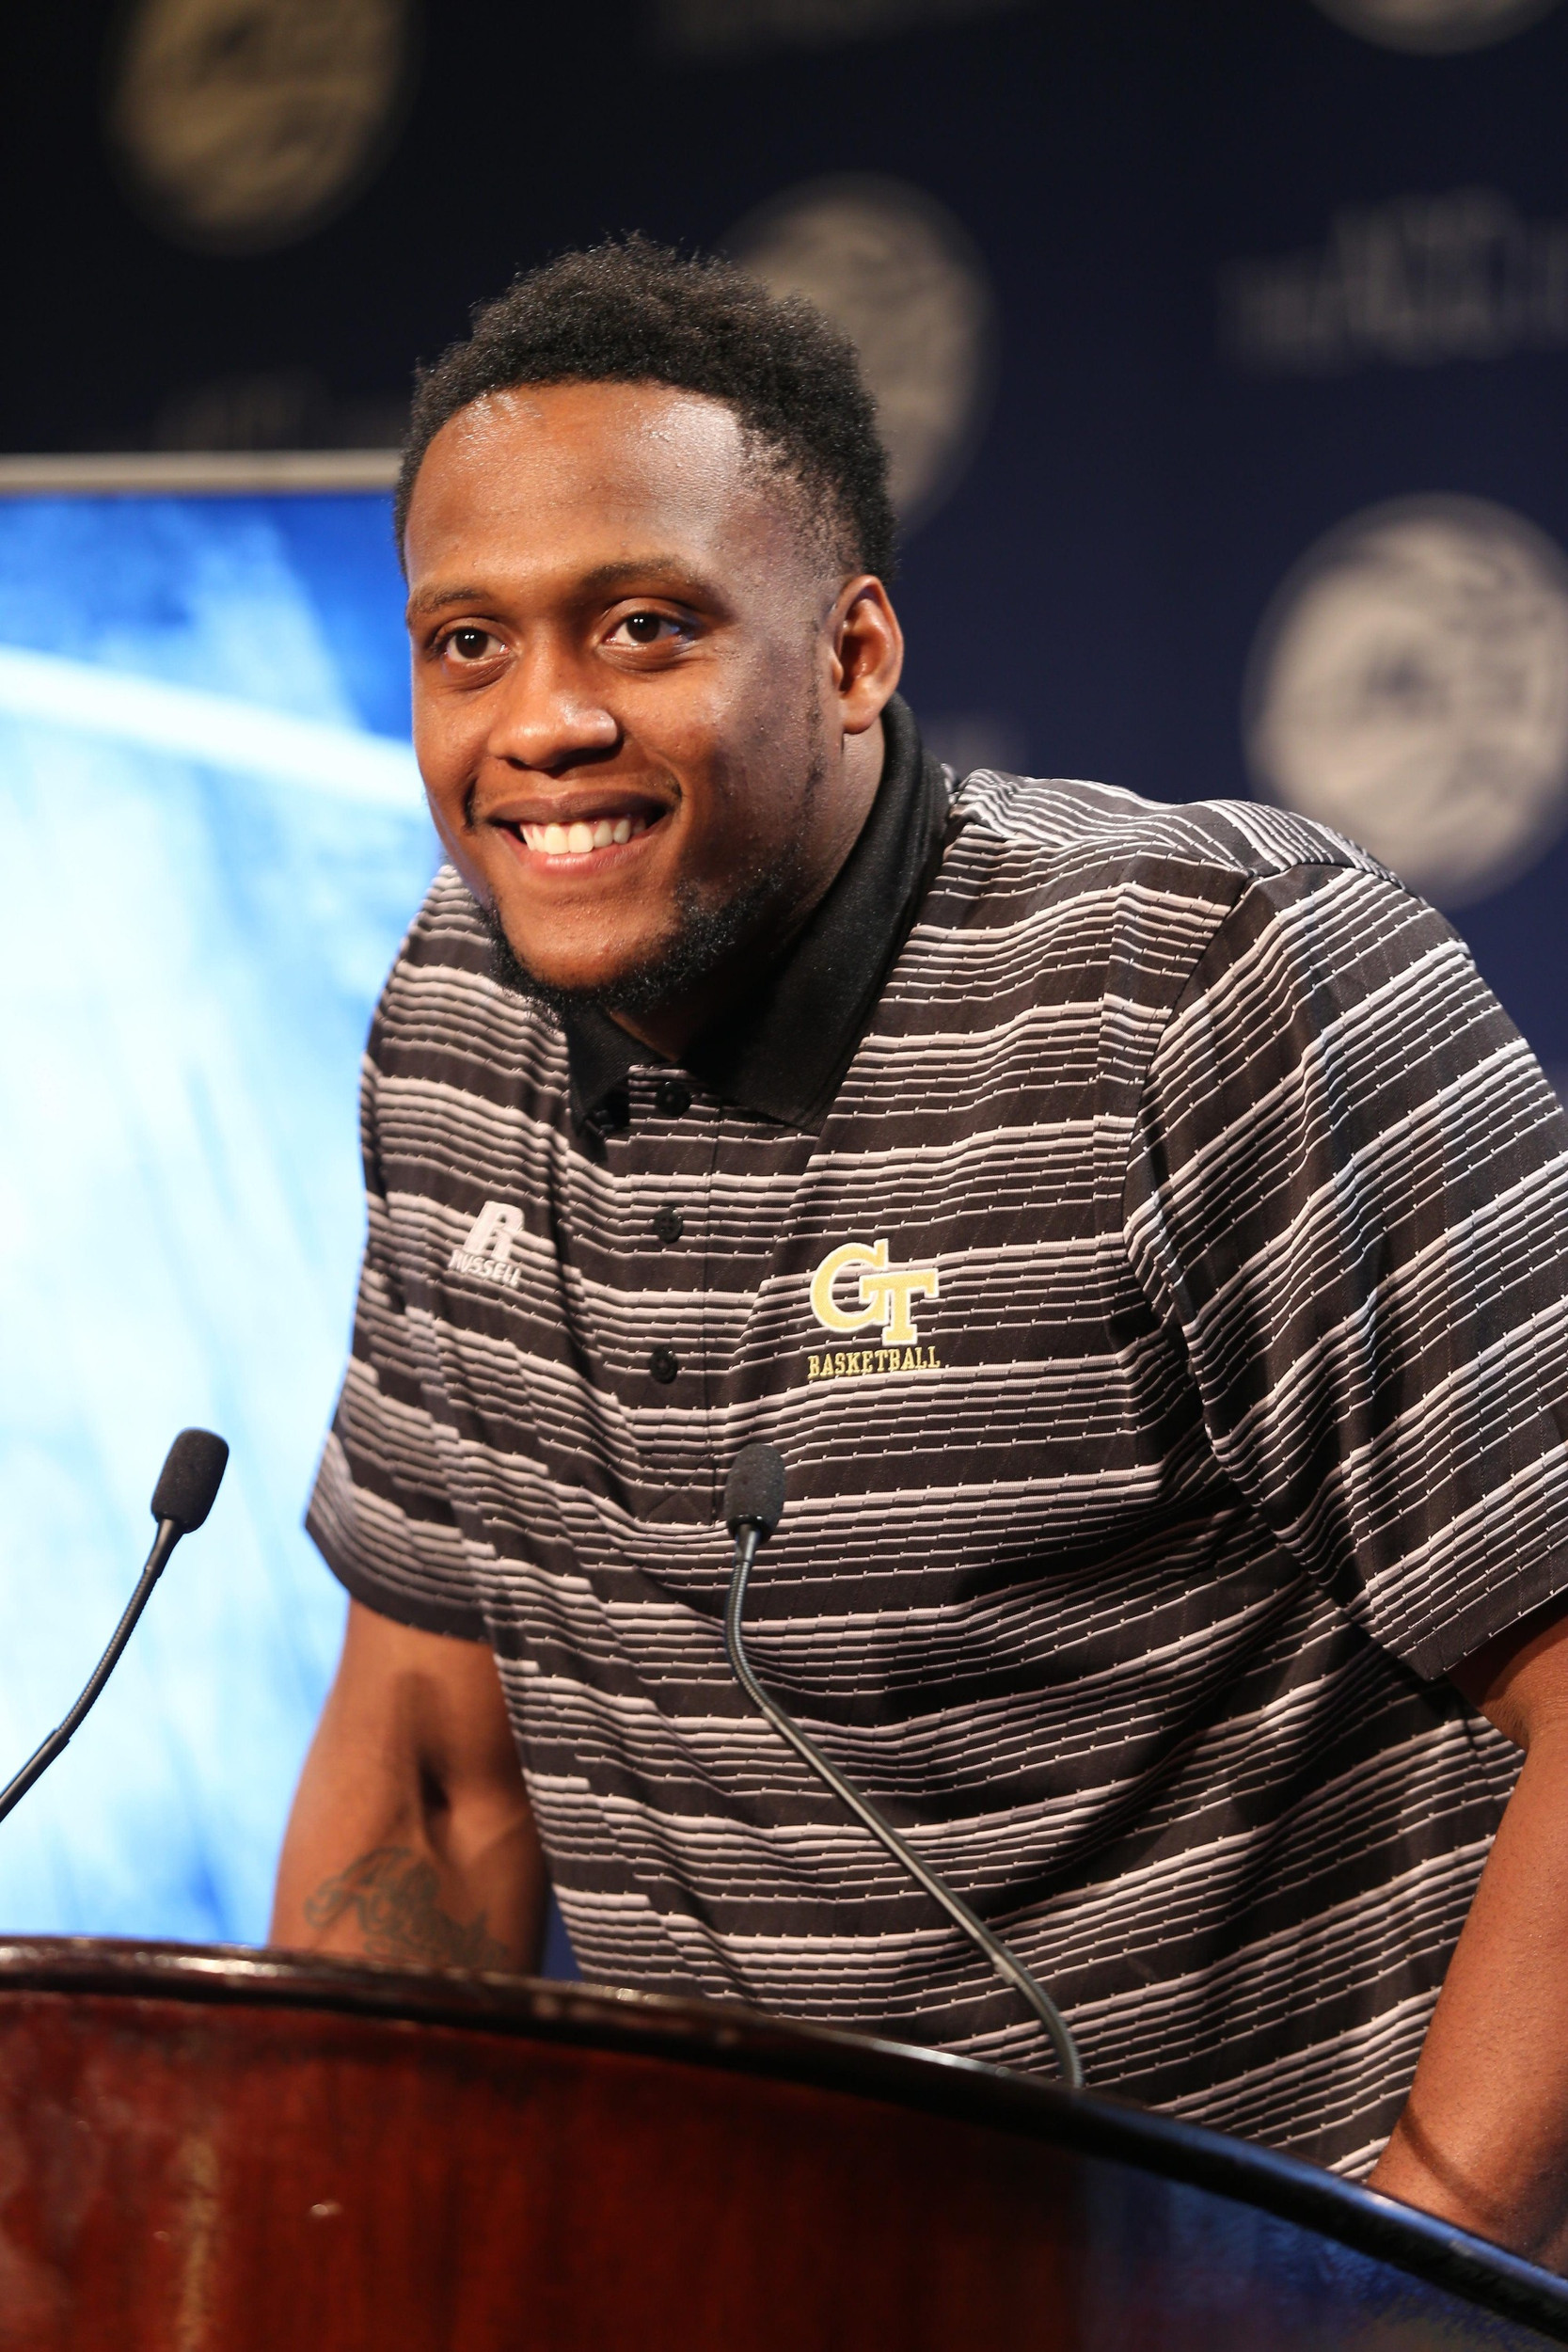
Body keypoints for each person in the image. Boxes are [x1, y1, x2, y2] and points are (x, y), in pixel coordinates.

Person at [271, 238, 1568, 2265]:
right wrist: (320, 2249)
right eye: (468, 643)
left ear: (856, 652)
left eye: (642, 626)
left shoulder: (1207, 986)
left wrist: (1395, 2286)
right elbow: (440, 1763)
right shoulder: (455, 1020)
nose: (545, 722)